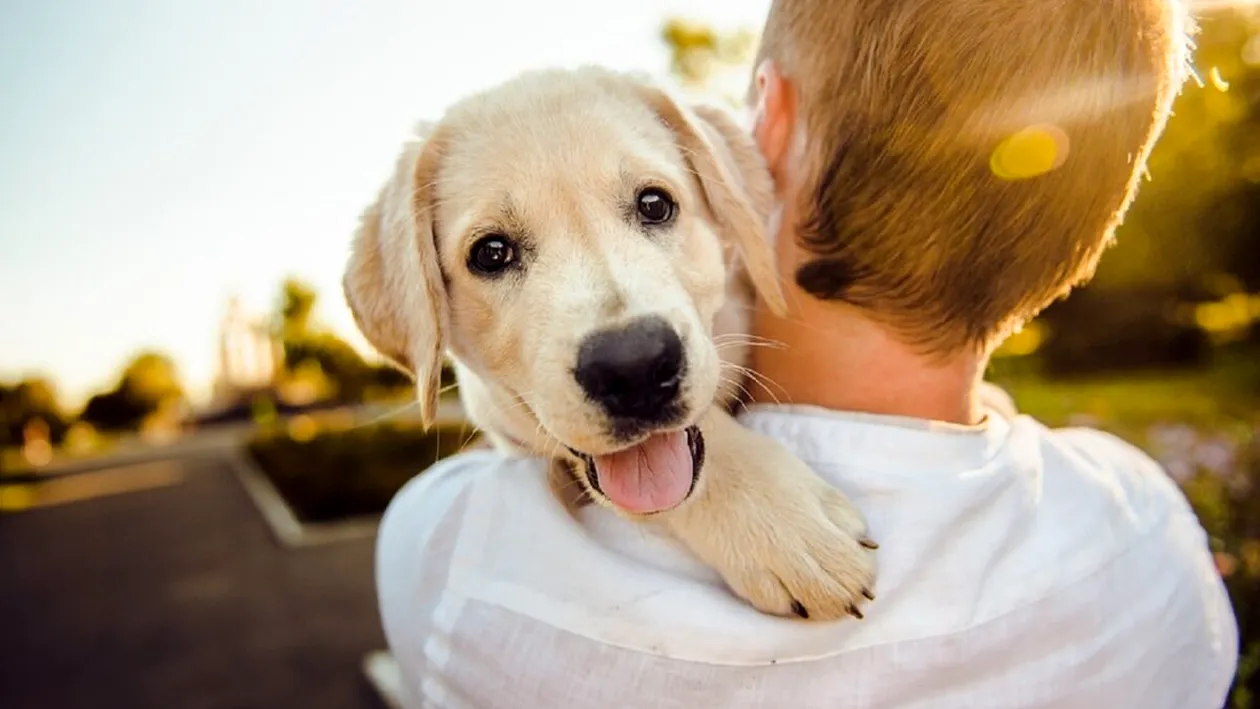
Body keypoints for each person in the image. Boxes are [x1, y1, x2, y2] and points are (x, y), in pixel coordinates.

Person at [374, 0, 1239, 706]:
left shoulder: (452, 553)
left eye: (651, 205)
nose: (626, 332)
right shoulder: (1151, 539)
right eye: (495, 254)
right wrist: (714, 478)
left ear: (762, 135)